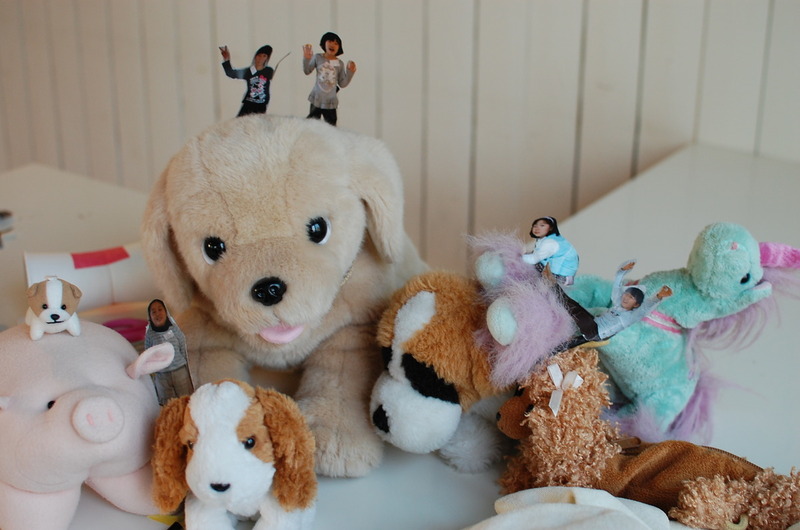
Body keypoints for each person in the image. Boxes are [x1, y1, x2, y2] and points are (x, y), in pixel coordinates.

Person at [556, 260, 673, 350]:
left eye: (631, 298)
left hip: (596, 331)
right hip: (594, 325)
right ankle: (555, 350)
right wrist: (622, 271)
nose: (626, 298)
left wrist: (659, 296)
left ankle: (554, 289)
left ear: (636, 304)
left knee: (574, 309)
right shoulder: (618, 303)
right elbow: (617, 285)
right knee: (571, 340)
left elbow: (645, 309)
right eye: (626, 295)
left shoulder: (630, 317)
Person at [144, 299, 194, 405]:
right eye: (153, 312)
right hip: (162, 376)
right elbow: (148, 353)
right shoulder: (150, 335)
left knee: (186, 400)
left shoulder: (174, 329)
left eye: (160, 309)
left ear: (166, 312)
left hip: (180, 372)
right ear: (150, 317)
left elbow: (182, 345)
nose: (157, 313)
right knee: (168, 404)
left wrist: (186, 365)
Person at [302, 32, 356, 126]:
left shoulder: (339, 63)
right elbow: (307, 70)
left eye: (336, 43)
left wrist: (350, 72)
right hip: (317, 98)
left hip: (330, 101)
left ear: (339, 47)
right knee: (312, 122)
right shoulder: (318, 57)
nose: (332, 45)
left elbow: (342, 83)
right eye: (330, 41)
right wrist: (307, 58)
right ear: (324, 43)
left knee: (331, 125)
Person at [220, 44, 275, 117]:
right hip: (249, 104)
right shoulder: (249, 71)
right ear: (255, 57)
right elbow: (231, 73)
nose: (261, 59)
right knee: (239, 121)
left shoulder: (268, 71)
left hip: (261, 105)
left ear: (267, 58)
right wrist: (226, 59)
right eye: (259, 56)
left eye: (264, 56)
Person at [522, 216, 579, 286]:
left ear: (551, 228)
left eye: (542, 225)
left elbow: (534, 259)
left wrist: (517, 256)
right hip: (560, 271)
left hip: (562, 275)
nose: (537, 228)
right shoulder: (546, 239)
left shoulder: (550, 242)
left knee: (530, 269)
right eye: (535, 226)